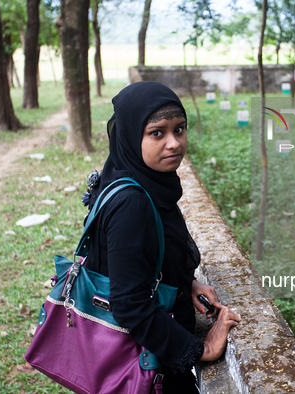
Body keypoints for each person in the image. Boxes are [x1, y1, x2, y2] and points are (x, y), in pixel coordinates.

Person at [83, 81, 241, 393]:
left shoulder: (127, 178)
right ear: (130, 136)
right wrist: (200, 350)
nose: (174, 143)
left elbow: (131, 262)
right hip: (147, 368)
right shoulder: (133, 202)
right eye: (157, 133)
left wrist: (185, 283)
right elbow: (129, 305)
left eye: (179, 129)